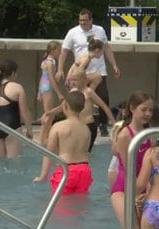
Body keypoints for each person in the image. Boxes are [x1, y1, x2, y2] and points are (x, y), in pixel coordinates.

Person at [57, 8, 121, 137]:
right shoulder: (73, 33)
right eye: (80, 20)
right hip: (81, 77)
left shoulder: (100, 31)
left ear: (91, 20)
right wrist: (62, 71)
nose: (82, 23)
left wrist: (114, 65)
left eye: (85, 20)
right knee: (78, 99)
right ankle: (66, 117)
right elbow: (65, 53)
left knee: (103, 96)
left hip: (97, 71)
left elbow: (107, 47)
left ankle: (103, 124)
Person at [110, 91, 157, 229]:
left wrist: (148, 192)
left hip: (144, 188)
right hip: (123, 189)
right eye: (144, 109)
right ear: (132, 108)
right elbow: (128, 168)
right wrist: (136, 195)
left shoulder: (150, 136)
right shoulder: (124, 135)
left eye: (150, 110)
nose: (148, 114)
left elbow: (153, 169)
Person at [33, 91, 92, 195]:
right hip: (84, 170)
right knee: (80, 204)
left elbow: (49, 153)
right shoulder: (86, 128)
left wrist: (43, 176)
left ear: (65, 105)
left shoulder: (59, 126)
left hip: (66, 170)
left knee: (61, 206)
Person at [42, 69, 115, 152]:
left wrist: (114, 124)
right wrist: (48, 113)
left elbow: (104, 107)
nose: (72, 82)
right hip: (77, 126)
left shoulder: (89, 92)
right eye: (71, 80)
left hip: (88, 125)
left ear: (83, 80)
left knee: (84, 153)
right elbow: (62, 107)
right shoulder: (72, 93)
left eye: (75, 80)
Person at [0, 59, 34, 158]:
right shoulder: (17, 88)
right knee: (15, 165)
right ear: (13, 72)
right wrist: (29, 130)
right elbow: (24, 112)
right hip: (12, 128)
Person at [37, 41, 64, 145]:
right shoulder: (50, 62)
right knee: (49, 114)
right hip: (48, 88)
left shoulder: (46, 61)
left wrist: (39, 92)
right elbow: (51, 79)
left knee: (50, 114)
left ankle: (45, 136)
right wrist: (59, 93)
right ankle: (42, 138)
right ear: (53, 50)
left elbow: (42, 78)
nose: (60, 52)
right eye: (58, 50)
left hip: (44, 87)